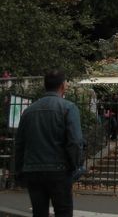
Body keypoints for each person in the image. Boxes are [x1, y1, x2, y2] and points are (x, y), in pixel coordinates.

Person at [15, 69, 83, 217]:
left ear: (45, 86)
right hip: (59, 169)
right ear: (63, 86)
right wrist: (75, 166)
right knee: (63, 211)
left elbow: (19, 143)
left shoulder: (28, 111)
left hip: (33, 170)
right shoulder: (68, 108)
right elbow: (75, 142)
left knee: (39, 212)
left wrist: (19, 171)